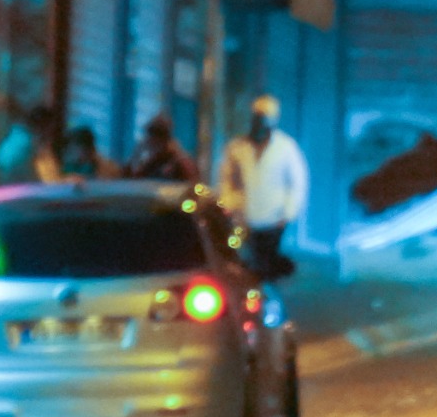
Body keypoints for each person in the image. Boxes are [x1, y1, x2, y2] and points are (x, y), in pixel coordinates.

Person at [220, 95, 308, 280]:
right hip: (243, 219)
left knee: (267, 269)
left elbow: (298, 183)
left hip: (273, 221)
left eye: (264, 119)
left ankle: (268, 302)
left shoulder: (286, 148)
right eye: (257, 118)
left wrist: (287, 214)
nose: (260, 124)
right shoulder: (237, 147)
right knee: (244, 268)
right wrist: (228, 205)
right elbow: (226, 179)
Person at [0, 104, 62, 183]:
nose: (51, 131)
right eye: (50, 127)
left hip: (5, 177)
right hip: (23, 182)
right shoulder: (35, 140)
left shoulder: (15, 133)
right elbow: (51, 179)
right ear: (43, 124)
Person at [125, 114, 199, 181]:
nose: (146, 142)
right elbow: (134, 179)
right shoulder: (156, 159)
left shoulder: (179, 160)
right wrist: (137, 153)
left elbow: (193, 184)